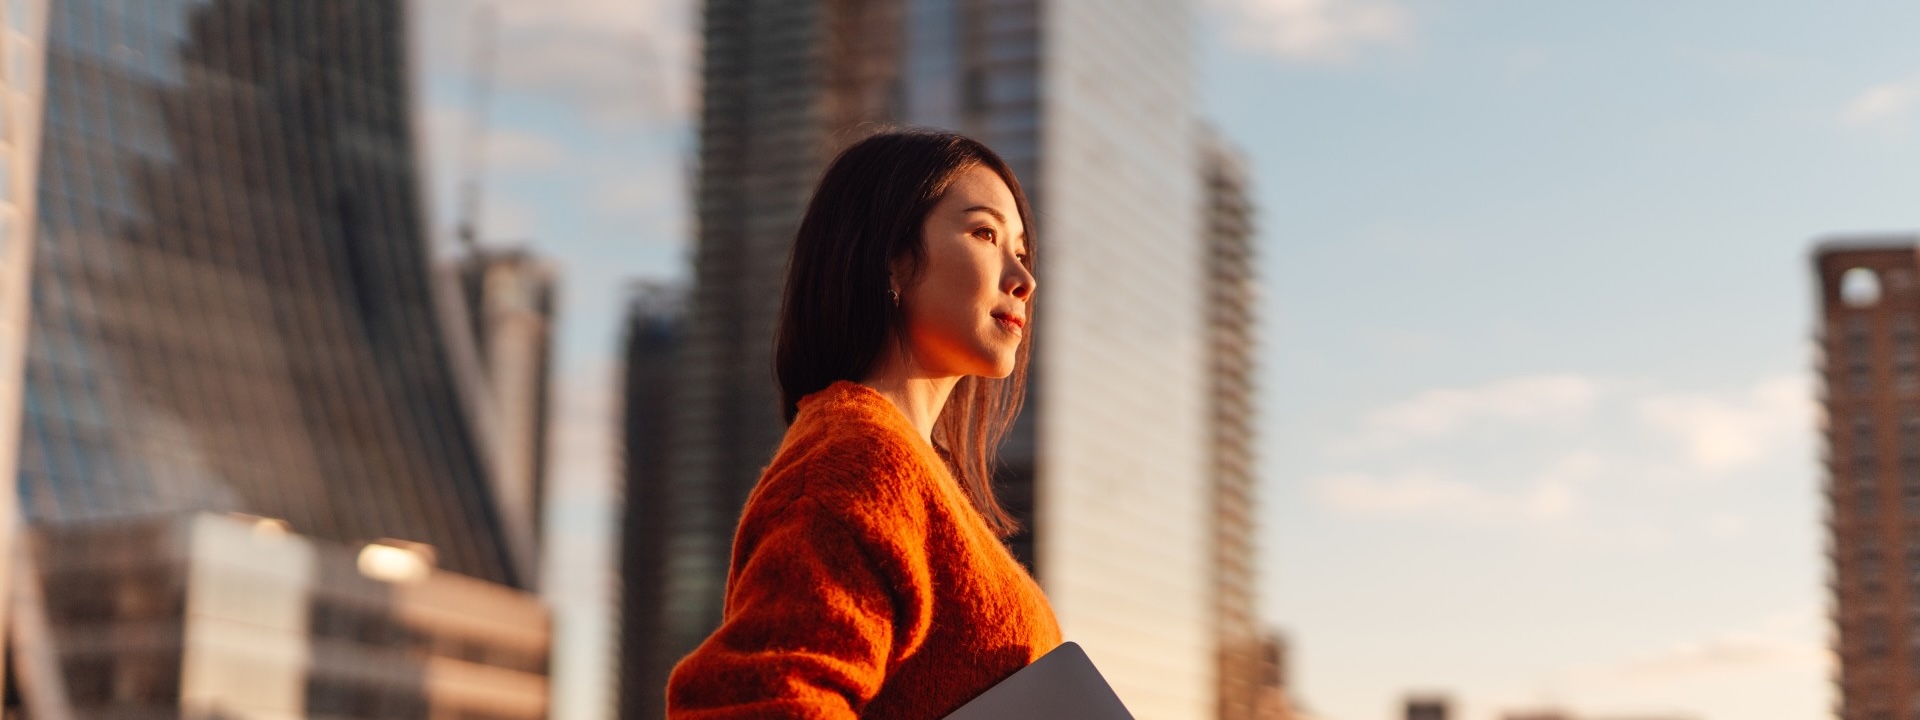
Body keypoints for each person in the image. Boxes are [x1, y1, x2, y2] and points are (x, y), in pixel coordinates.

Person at [665, 129, 1058, 718]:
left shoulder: (907, 468)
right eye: (984, 234)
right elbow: (757, 699)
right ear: (892, 260)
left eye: (1022, 252)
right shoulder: (859, 456)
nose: (1023, 279)